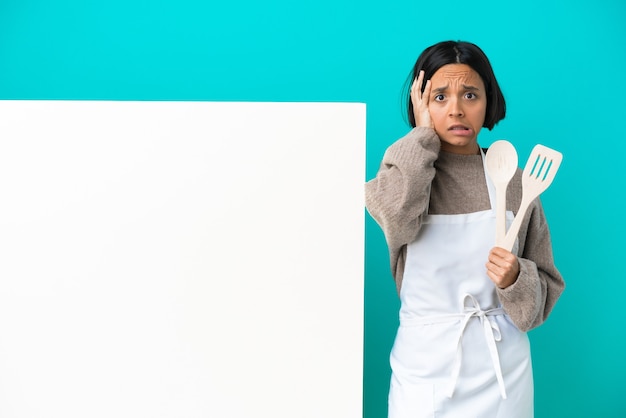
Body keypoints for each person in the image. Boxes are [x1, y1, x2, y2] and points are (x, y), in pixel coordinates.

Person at [365, 40, 565, 417]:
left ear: (488, 100)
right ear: (419, 103)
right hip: (425, 371)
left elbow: (539, 303)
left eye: (470, 94)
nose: (456, 109)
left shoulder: (518, 184)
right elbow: (396, 218)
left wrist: (516, 279)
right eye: (439, 97)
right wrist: (421, 137)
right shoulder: (402, 172)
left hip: (502, 375)